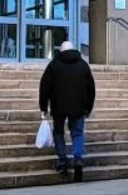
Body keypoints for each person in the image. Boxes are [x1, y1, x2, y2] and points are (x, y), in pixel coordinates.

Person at [38, 41, 95, 182]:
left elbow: (44, 87)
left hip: (58, 106)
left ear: (61, 51)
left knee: (58, 132)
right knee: (77, 133)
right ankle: (78, 159)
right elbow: (91, 89)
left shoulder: (54, 65)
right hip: (78, 107)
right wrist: (88, 108)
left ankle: (62, 160)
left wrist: (43, 107)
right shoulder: (83, 65)